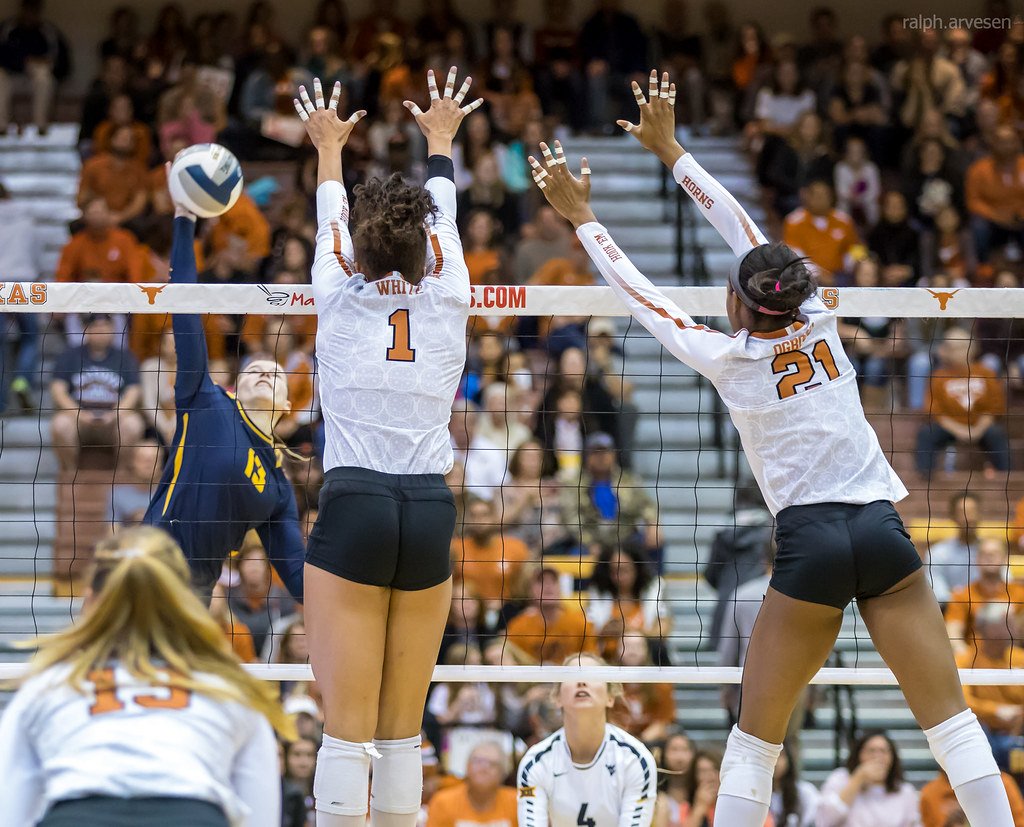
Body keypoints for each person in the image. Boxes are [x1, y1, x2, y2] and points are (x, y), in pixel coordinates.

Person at [528, 70, 1013, 825]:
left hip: (811, 542)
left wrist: (585, 217)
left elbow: (645, 297)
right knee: (950, 723)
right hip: (883, 530)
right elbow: (745, 229)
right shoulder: (817, 313)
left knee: (755, 740)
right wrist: (673, 149)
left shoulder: (731, 359)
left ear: (736, 305)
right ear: (790, 293)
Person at [295, 69, 480, 827]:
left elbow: (329, 221)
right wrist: (442, 143)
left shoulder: (337, 289)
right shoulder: (449, 292)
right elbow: (447, 223)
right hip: (430, 509)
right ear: (422, 249)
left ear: (363, 251)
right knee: (404, 732)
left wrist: (329, 150)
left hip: (357, 502)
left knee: (347, 728)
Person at [0, 526, 288, 826]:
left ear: (91, 599)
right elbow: (261, 815)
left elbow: (11, 813)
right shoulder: (227, 689)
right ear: (185, 600)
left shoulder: (49, 685)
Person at [141, 184, 305, 603]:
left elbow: (300, 581)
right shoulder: (205, 399)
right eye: (255, 369)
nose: (265, 372)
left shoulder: (277, 487)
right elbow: (184, 304)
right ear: (235, 386)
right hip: (145, 569)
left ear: (288, 405)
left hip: (196, 597)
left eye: (275, 373)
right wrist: (183, 220)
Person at [517, 653, 657, 827]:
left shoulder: (635, 759)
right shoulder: (536, 762)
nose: (581, 681)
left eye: (592, 675)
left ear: (610, 697)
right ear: (557, 698)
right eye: (572, 675)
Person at [50, 313, 144, 471]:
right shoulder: (70, 355)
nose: (101, 332)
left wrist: (114, 414)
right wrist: (79, 413)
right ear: (86, 329)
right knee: (60, 424)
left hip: (113, 421)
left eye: (105, 327)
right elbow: (57, 389)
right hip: (79, 420)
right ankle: (70, 473)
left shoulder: (125, 357)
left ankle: (121, 474)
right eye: (96, 327)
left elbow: (134, 391)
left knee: (133, 424)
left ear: (113, 329)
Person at [915, 326, 1010, 476]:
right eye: (952, 347)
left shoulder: (985, 372)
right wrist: (960, 430)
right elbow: (934, 411)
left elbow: (995, 407)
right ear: (945, 350)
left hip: (980, 426)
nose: (958, 351)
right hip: (950, 427)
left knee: (996, 434)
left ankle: (1006, 477)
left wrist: (977, 429)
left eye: (962, 346)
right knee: (926, 434)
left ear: (973, 347)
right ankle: (925, 478)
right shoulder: (938, 377)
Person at [955, 603, 1024, 770]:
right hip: (984, 733)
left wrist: (1018, 716)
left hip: (1018, 730)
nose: (1016, 627)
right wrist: (996, 711)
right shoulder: (965, 660)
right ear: (991, 629)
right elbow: (961, 702)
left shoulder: (1019, 658)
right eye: (1009, 622)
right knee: (978, 736)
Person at [815, 732, 920, 827]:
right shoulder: (840, 778)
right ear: (859, 754)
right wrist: (858, 779)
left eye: (883, 751)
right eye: (871, 751)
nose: (877, 757)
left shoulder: (905, 791)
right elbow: (824, 821)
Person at [944, 538, 1024, 656]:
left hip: (1013, 662)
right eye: (984, 553)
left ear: (1005, 559)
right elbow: (953, 633)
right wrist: (969, 660)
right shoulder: (962, 595)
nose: (989, 556)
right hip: (975, 663)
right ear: (977, 559)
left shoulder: (1020, 593)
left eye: (995, 553)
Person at [426, 741, 517, 827]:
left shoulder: (517, 802)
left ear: (503, 773)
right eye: (478, 761)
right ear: (467, 767)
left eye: (492, 764)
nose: (483, 768)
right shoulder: (443, 802)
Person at [926, 492, 982, 605]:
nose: (969, 517)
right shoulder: (937, 553)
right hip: (950, 613)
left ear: (980, 514)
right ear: (952, 516)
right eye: (963, 512)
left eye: (973, 511)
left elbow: (1005, 586)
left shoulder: (993, 551)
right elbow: (938, 594)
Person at [769, 743, 818, 826]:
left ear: (789, 759)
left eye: (780, 756)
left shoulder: (804, 792)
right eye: (770, 756)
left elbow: (813, 820)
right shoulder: (756, 791)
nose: (776, 762)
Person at [657, 732, 696, 826]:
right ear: (664, 754)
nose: (680, 757)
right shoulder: (656, 794)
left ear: (693, 753)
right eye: (674, 750)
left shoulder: (700, 792)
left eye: (685, 749)